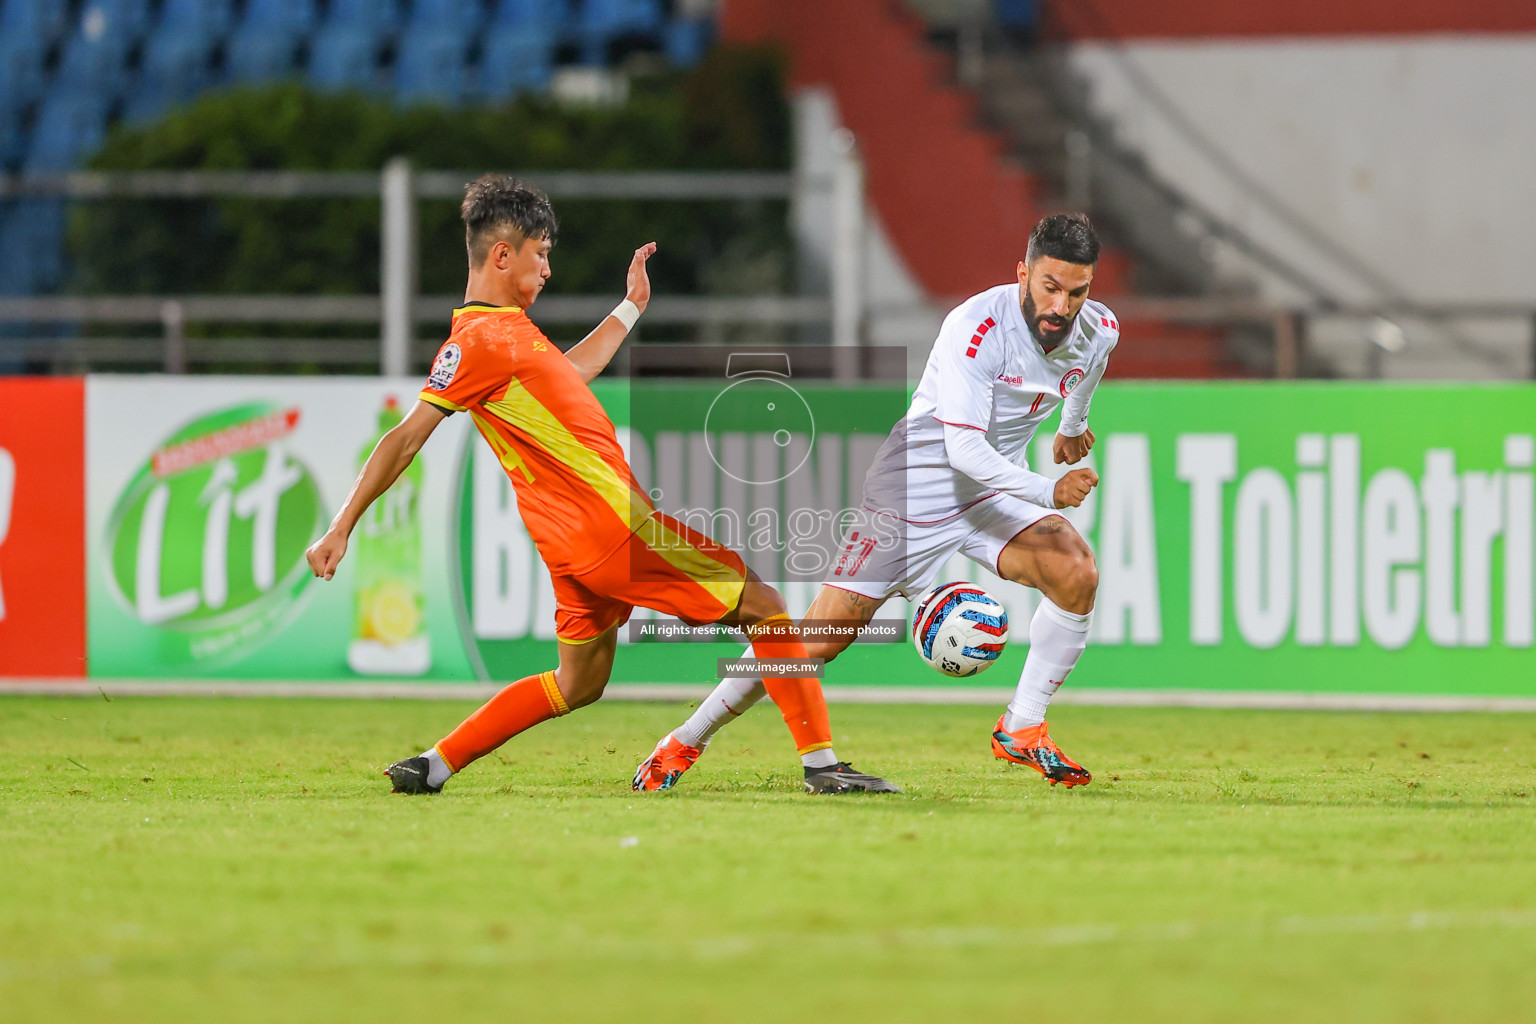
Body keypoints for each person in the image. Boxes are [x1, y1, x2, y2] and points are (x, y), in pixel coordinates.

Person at [305, 175, 898, 796]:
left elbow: (570, 374)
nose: (548, 269)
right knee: (766, 605)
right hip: (613, 525)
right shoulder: (480, 342)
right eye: (541, 253)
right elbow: (405, 437)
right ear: (502, 255)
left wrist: (630, 307)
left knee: (578, 683)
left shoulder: (504, 336)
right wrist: (340, 527)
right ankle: (822, 765)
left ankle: (434, 764)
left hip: (569, 548)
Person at [634, 212, 1112, 791]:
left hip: (989, 491)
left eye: (1076, 292)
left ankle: (1023, 727)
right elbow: (961, 449)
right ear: (1022, 274)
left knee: (1075, 571)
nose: (1061, 306)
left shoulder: (1099, 329)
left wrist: (1072, 426)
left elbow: (1085, 373)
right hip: (918, 482)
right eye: (1050, 287)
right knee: (815, 643)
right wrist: (1045, 489)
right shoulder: (977, 326)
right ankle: (682, 741)